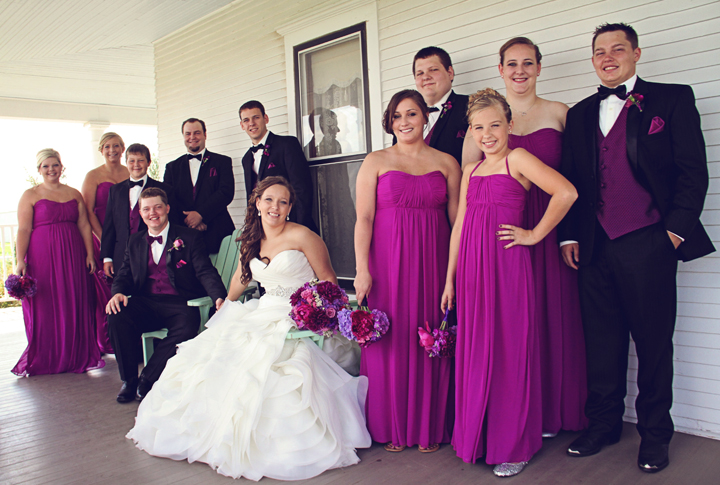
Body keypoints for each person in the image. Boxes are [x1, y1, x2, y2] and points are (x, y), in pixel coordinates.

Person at [125, 176, 371, 481]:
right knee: (217, 360)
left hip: (299, 314)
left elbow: (328, 281)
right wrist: (226, 303)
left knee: (277, 368)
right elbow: (242, 277)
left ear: (289, 208)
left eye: (282, 202)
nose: (275, 207)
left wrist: (316, 312)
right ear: (257, 203)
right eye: (269, 199)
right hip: (263, 310)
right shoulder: (251, 238)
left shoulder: (304, 236)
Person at [559, 23, 715, 473]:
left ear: (636, 54)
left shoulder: (672, 100)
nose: (608, 57)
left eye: (617, 49)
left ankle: (655, 436)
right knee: (601, 343)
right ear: (593, 60)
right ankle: (603, 425)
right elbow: (572, 179)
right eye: (599, 52)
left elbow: (693, 172)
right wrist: (569, 234)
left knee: (653, 344)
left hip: (649, 241)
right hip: (593, 246)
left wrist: (674, 233)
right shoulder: (580, 113)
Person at [442, 89, 576, 477]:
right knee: (478, 351)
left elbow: (566, 192)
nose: (487, 134)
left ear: (509, 125)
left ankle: (516, 445)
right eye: (478, 128)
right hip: (471, 271)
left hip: (507, 268)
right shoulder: (470, 171)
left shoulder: (516, 159)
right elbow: (460, 226)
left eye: (495, 125)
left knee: (511, 351)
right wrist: (449, 279)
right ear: (471, 131)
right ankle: (482, 438)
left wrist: (534, 234)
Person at [463, 38, 588, 437]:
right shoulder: (486, 124)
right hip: (500, 234)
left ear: (538, 67)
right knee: (509, 325)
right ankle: (515, 414)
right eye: (512, 63)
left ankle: (551, 412)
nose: (520, 70)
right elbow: (470, 196)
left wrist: (562, 235)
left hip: (546, 230)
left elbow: (576, 180)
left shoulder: (560, 112)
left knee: (549, 317)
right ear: (500, 69)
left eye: (528, 63)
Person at [354, 89, 461, 453]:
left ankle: (429, 425)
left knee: (430, 336)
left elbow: (457, 223)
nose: (404, 122)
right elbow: (364, 218)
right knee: (392, 338)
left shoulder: (447, 162)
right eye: (397, 116)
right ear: (390, 121)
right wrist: (361, 269)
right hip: (386, 264)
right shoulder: (376, 161)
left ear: (425, 117)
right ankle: (392, 425)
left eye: (412, 114)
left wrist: (454, 273)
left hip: (433, 263)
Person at [106, 187, 226, 403]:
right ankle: (129, 380)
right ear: (140, 213)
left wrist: (218, 297)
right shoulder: (134, 241)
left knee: (187, 326)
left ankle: (147, 378)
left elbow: (205, 271)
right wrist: (118, 293)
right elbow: (124, 273)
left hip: (180, 303)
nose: (152, 213)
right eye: (146, 209)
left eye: (157, 207)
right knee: (116, 315)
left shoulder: (189, 237)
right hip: (147, 302)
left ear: (167, 208)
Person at [12, 149, 104, 376]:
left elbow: (84, 224)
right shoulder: (30, 195)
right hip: (42, 256)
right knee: (47, 303)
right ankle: (48, 357)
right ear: (39, 169)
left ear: (62, 167)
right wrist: (20, 260)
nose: (51, 169)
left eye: (55, 165)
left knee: (75, 298)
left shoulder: (73, 193)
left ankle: (76, 355)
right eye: (46, 166)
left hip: (74, 254)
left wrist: (89, 254)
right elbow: (24, 229)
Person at [81, 132, 129, 354]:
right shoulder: (93, 176)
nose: (112, 150)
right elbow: (87, 211)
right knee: (105, 288)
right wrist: (104, 240)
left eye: (116, 146)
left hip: (127, 238)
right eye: (107, 146)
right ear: (101, 150)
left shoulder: (129, 171)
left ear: (122, 148)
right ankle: (106, 339)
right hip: (101, 237)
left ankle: (129, 336)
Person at [240, 100, 317, 231]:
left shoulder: (287, 144)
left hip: (291, 224)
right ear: (242, 125)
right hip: (264, 227)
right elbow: (252, 197)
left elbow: (302, 189)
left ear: (265, 118)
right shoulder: (246, 159)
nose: (251, 123)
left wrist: (298, 227)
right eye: (246, 120)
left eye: (256, 117)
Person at [163, 118, 235, 254]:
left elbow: (226, 192)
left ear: (205, 135)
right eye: (188, 133)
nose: (192, 137)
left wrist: (201, 215)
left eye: (197, 133)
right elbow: (169, 199)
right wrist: (190, 221)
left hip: (217, 231)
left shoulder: (222, 161)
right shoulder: (172, 167)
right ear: (183, 136)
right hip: (184, 234)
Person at [101, 143, 174, 277]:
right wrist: (107, 257)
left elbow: (173, 222)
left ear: (148, 163)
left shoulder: (164, 189)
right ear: (126, 163)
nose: (136, 165)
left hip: (152, 251)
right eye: (132, 161)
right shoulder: (115, 191)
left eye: (140, 160)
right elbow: (109, 225)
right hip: (121, 254)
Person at [396, 46, 468, 165]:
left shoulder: (471, 106)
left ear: (450, 73)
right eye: (420, 73)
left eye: (433, 70)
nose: (426, 77)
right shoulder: (403, 118)